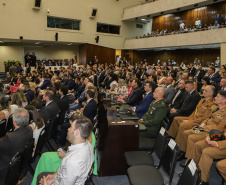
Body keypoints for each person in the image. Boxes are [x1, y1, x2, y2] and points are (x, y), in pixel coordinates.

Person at [36, 116, 94, 185]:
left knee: (40, 177)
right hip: (63, 179)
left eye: (71, 127)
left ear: (77, 132)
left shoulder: (72, 163)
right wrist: (54, 176)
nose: (68, 129)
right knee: (41, 176)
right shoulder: (88, 145)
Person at [181, 91, 226, 171]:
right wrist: (203, 123)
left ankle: (189, 161)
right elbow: (208, 118)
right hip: (205, 128)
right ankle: (184, 153)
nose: (215, 98)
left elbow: (220, 128)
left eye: (218, 97)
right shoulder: (215, 108)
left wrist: (206, 127)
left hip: (211, 132)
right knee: (186, 132)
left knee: (192, 138)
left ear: (224, 100)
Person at [169, 85, 215, 160]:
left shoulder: (211, 104)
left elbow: (204, 118)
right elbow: (194, 112)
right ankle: (172, 137)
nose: (203, 91)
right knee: (176, 119)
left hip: (198, 122)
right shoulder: (202, 100)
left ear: (211, 93)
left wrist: (189, 121)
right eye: (203, 90)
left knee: (183, 125)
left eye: (205, 90)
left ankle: (182, 150)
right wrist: (189, 119)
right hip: (193, 118)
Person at [0, 108, 33, 185]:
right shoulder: (29, 130)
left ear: (14, 122)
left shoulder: (10, 137)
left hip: (5, 166)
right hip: (19, 163)